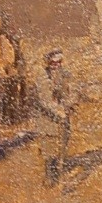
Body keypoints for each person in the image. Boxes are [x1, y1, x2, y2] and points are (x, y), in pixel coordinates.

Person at [33, 48, 77, 186]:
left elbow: (73, 92)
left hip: (63, 117)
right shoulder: (42, 77)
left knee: (62, 145)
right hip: (48, 118)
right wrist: (59, 111)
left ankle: (59, 172)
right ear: (48, 62)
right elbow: (44, 100)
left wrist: (69, 104)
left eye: (58, 62)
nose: (56, 65)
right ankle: (49, 176)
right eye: (53, 62)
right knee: (48, 148)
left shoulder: (65, 74)